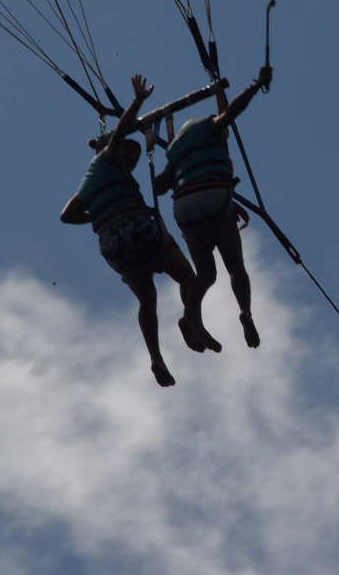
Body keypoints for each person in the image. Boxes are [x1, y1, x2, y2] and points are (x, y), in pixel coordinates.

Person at [61, 75, 221, 387]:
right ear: (113, 150)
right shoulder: (108, 159)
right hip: (137, 233)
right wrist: (137, 101)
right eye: (129, 154)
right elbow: (120, 131)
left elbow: (67, 216)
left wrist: (99, 220)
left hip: (113, 248)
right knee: (188, 276)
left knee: (147, 298)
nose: (132, 160)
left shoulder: (88, 183)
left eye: (136, 157)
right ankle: (193, 320)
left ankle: (156, 360)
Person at [154, 65, 272, 349]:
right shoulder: (210, 127)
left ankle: (190, 317)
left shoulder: (176, 154)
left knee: (206, 275)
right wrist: (256, 85)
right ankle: (245, 313)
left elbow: (158, 186)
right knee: (235, 267)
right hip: (214, 202)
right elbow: (231, 113)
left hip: (185, 213)